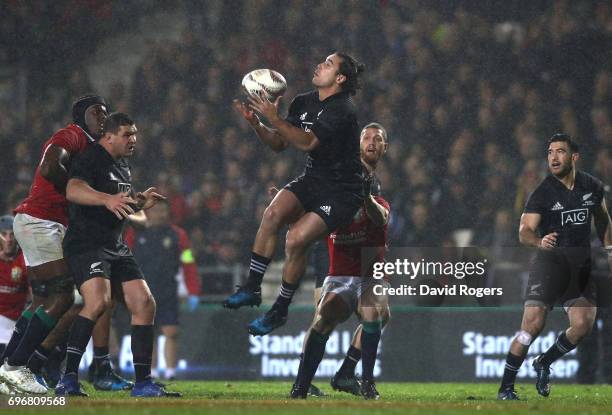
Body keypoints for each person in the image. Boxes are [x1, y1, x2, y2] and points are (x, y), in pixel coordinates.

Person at [223, 52, 366, 336]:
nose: (319, 65)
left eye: (328, 64)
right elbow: (279, 143)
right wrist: (257, 123)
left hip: (343, 190)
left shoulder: (344, 110)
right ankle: (252, 288)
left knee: (296, 238)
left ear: (340, 78)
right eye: (322, 61)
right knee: (273, 212)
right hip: (314, 179)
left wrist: (274, 118)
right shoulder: (303, 101)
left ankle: (279, 310)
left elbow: (308, 142)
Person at [0, 95, 130, 394]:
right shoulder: (71, 135)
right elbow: (49, 168)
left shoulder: (94, 149)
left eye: (105, 112)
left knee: (48, 298)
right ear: (81, 117)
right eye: (96, 112)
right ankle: (18, 366)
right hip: (40, 220)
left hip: (47, 223)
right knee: (64, 296)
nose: (102, 116)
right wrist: (77, 187)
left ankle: (12, 365)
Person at [54, 112, 177, 397]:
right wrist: (106, 199)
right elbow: (73, 189)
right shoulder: (90, 157)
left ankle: (143, 383)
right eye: (127, 134)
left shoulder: (122, 166)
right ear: (108, 137)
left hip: (115, 245)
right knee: (98, 303)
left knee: (145, 303)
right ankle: (68, 378)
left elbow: (119, 206)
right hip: (87, 243)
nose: (133, 139)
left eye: (134, 133)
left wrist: (138, 202)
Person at [497, 134, 612, 400]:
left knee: (583, 324)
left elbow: (604, 220)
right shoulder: (543, 193)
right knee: (531, 327)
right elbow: (524, 231)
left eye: (560, 152)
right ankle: (506, 388)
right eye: (550, 152)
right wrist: (538, 240)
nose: (553, 157)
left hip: (580, 268)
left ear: (574, 157)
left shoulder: (592, 187)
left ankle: (544, 362)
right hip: (549, 267)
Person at [291, 122, 391, 399]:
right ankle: (304, 384)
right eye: (366, 138)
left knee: (378, 314)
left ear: (385, 147)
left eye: (377, 139)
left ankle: (358, 378)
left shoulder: (370, 179)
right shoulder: (346, 171)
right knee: (324, 318)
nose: (371, 142)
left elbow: (379, 216)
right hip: (337, 260)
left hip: (367, 266)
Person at [125, 200, 201, 381]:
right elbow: (125, 259)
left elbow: (188, 262)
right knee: (147, 332)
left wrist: (193, 291)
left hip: (168, 289)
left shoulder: (178, 235)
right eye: (158, 210)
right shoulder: (135, 233)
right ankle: (152, 371)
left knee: (171, 331)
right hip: (143, 290)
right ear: (148, 213)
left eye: (164, 210)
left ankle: (170, 372)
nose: (162, 214)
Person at [0, 215, 28, 394]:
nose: (9, 239)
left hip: (16, 323)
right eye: (4, 234)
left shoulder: (25, 261)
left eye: (12, 234)